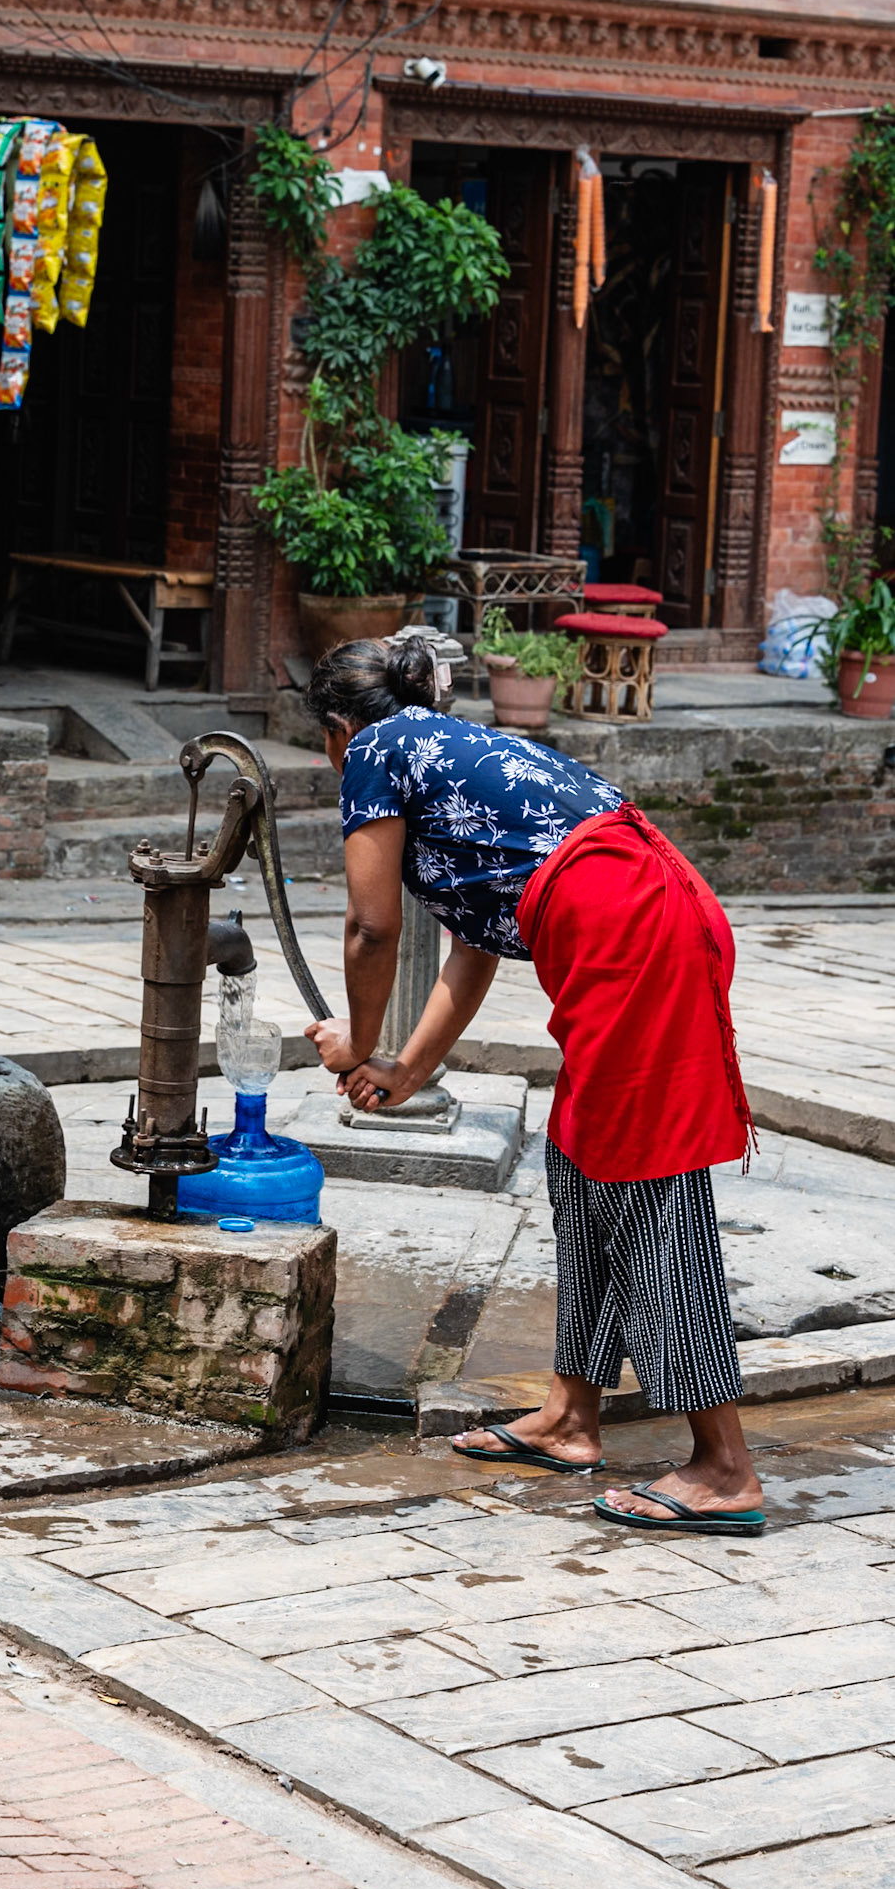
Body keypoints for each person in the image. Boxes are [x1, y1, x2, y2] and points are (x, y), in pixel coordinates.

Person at [304, 632, 766, 1538]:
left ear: (333, 730)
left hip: (633, 935)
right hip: (645, 920)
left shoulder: (375, 750)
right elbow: (472, 944)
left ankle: (723, 1467)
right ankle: (569, 1416)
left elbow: (370, 927)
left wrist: (354, 1038)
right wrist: (405, 1067)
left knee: (644, 1183)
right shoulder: (448, 750)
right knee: (579, 1163)